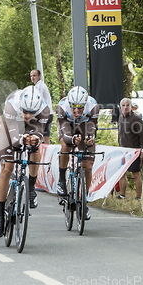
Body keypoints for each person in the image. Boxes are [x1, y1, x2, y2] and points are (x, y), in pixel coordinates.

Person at [0, 86, 50, 237]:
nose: (27, 115)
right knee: (7, 168)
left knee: (35, 147)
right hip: (10, 128)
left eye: (31, 112)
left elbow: (38, 131)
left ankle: (30, 187)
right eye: (25, 111)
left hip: (31, 127)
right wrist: (22, 140)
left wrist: (34, 139)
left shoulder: (44, 109)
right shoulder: (12, 105)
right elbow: (15, 140)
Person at [56, 86, 99, 220]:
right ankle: (62, 180)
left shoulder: (93, 107)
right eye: (73, 106)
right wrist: (72, 139)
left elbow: (91, 128)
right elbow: (65, 132)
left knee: (88, 166)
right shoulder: (62, 107)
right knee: (65, 144)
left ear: (85, 104)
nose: (76, 110)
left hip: (85, 126)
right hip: (67, 126)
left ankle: (84, 201)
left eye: (80, 107)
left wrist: (89, 139)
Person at [117, 97, 143, 200]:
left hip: (135, 150)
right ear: (120, 107)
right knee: (122, 173)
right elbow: (120, 133)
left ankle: (138, 197)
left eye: (127, 105)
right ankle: (122, 194)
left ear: (131, 107)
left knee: (136, 174)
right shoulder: (121, 117)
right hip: (123, 150)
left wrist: (142, 150)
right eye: (123, 105)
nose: (125, 107)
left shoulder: (136, 119)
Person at [30, 69, 53, 144]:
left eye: (34, 76)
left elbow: (37, 101)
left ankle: (38, 153)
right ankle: (47, 154)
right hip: (50, 113)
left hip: (44, 114)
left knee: (37, 135)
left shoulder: (39, 86)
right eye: (31, 76)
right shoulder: (41, 85)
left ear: (39, 76)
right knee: (46, 136)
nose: (32, 78)